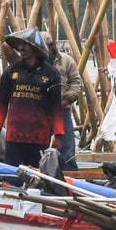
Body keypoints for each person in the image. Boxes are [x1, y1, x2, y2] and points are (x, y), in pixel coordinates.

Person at [0, 30, 63, 167]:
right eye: (19, 45)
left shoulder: (51, 74)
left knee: (36, 179)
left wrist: (59, 136)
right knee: (11, 176)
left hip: (40, 137)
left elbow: (56, 108)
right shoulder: (11, 71)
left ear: (36, 48)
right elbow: (1, 104)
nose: (21, 48)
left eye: (25, 45)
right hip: (14, 135)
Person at [41, 31, 84, 171]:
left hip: (62, 111)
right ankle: (41, 173)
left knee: (67, 149)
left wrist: (65, 101)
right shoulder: (36, 63)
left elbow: (76, 83)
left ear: (52, 45)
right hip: (40, 113)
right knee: (39, 147)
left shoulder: (66, 61)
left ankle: (70, 176)